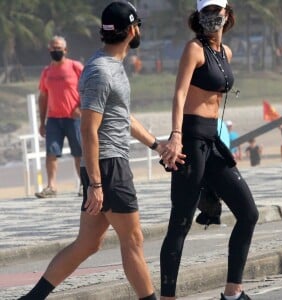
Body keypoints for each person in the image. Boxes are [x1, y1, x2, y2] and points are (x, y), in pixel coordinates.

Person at [19, 2, 185, 299]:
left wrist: (156, 145)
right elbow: (88, 129)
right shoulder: (100, 71)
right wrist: (95, 184)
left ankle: (31, 298)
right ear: (132, 30)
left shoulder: (110, 67)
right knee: (133, 239)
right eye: (139, 26)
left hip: (107, 165)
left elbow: (123, 117)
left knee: (88, 243)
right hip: (108, 167)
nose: (140, 31)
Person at [159, 1, 259, 300]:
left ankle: (232, 292)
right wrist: (175, 136)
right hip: (189, 140)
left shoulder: (225, 53)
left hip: (213, 141)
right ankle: (168, 296)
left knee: (248, 213)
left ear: (227, 14)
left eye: (218, 11)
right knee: (181, 221)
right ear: (198, 15)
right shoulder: (194, 49)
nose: (212, 17)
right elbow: (179, 93)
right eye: (207, 11)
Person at [34, 35, 84, 198]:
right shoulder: (46, 72)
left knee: (79, 153)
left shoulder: (75, 67)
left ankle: (85, 184)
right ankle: (51, 187)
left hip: (74, 118)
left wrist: (80, 107)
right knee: (51, 153)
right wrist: (42, 122)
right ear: (49, 50)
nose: (56, 51)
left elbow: (89, 88)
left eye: (59, 48)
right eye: (53, 48)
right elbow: (43, 97)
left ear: (65, 50)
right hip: (54, 119)